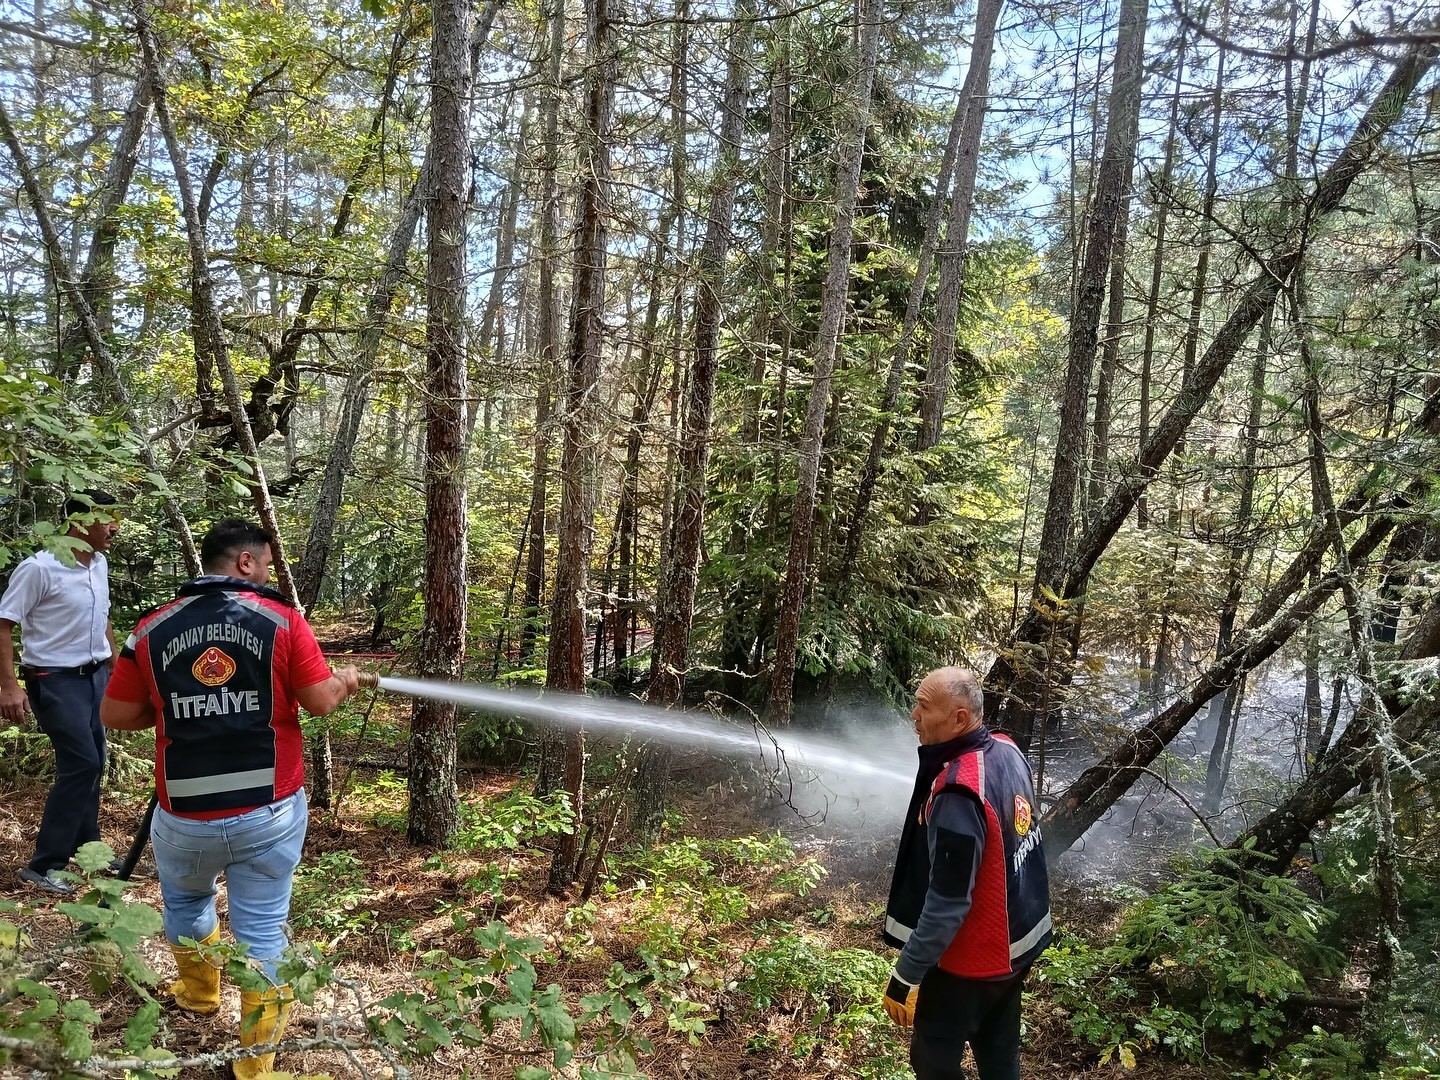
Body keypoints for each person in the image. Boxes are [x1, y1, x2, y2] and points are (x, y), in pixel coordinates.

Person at [100, 519, 361, 1080]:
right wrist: (346, 680)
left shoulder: (150, 629)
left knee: (187, 903)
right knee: (263, 932)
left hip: (184, 815)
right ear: (245, 562)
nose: (268, 572)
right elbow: (319, 701)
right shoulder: (282, 621)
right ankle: (255, 1066)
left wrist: (168, 709)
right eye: (265, 562)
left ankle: (198, 995)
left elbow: (115, 714)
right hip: (267, 809)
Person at [879, 667, 1052, 1080]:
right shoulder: (1008, 751)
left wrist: (907, 973)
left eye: (923, 706)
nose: (913, 715)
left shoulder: (959, 792)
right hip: (1014, 955)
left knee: (933, 1060)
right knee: (1000, 1053)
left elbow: (949, 901)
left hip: (967, 967)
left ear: (959, 718)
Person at [0, 490, 122, 894]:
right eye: (105, 518)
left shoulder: (99, 564)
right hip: (54, 679)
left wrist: (116, 664)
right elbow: (4, 625)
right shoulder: (40, 567)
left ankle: (90, 851)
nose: (113, 527)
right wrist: (9, 686)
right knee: (81, 763)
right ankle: (45, 863)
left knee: (95, 760)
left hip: (95, 678)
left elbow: (100, 618)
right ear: (78, 522)